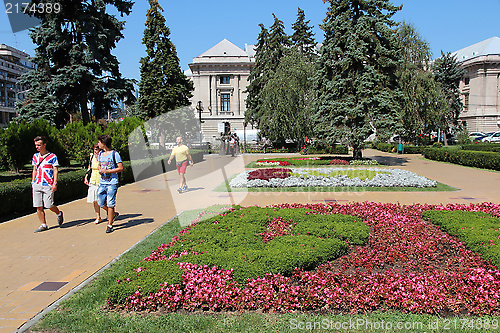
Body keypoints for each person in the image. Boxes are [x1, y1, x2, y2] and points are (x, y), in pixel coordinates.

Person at [32, 136, 64, 232]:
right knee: (38, 205)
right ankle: (43, 224)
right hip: (37, 183)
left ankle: (58, 213)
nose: (37, 147)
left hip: (48, 184)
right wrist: (33, 181)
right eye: (36, 145)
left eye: (39, 145)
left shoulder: (52, 156)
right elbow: (34, 169)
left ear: (44, 145)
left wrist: (55, 183)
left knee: (49, 204)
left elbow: (55, 170)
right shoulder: (35, 156)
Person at [97, 134, 123, 233]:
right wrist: (100, 170)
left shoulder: (114, 154)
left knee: (110, 203)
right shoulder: (100, 154)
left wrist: (108, 171)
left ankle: (110, 224)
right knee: (100, 202)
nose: (98, 144)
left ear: (103, 143)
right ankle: (112, 214)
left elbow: (120, 168)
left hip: (112, 182)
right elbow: (99, 165)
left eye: (99, 142)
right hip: (102, 182)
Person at [84, 143, 103, 224]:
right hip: (93, 180)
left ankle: (111, 213)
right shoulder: (91, 156)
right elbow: (89, 167)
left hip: (101, 180)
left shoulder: (103, 157)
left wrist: (99, 158)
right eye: (95, 149)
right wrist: (86, 176)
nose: (96, 151)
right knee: (94, 200)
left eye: (97, 149)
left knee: (101, 200)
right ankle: (98, 217)